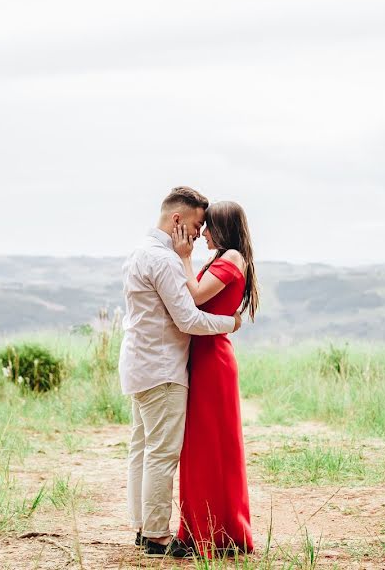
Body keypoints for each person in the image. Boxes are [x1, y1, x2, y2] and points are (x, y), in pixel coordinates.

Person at [118, 187, 243, 558]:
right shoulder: (166, 260)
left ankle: (143, 527)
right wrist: (231, 324)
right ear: (177, 220)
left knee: (141, 449)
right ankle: (157, 536)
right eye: (196, 224)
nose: (198, 233)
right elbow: (188, 319)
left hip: (138, 365)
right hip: (163, 370)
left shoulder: (139, 252)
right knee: (161, 453)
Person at [171, 200, 258, 557]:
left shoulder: (232, 258)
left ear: (222, 227)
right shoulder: (226, 257)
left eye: (207, 227)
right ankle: (201, 528)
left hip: (213, 362)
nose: (202, 232)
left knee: (212, 448)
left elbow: (194, 295)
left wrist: (184, 256)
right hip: (203, 359)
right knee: (200, 448)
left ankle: (218, 531)